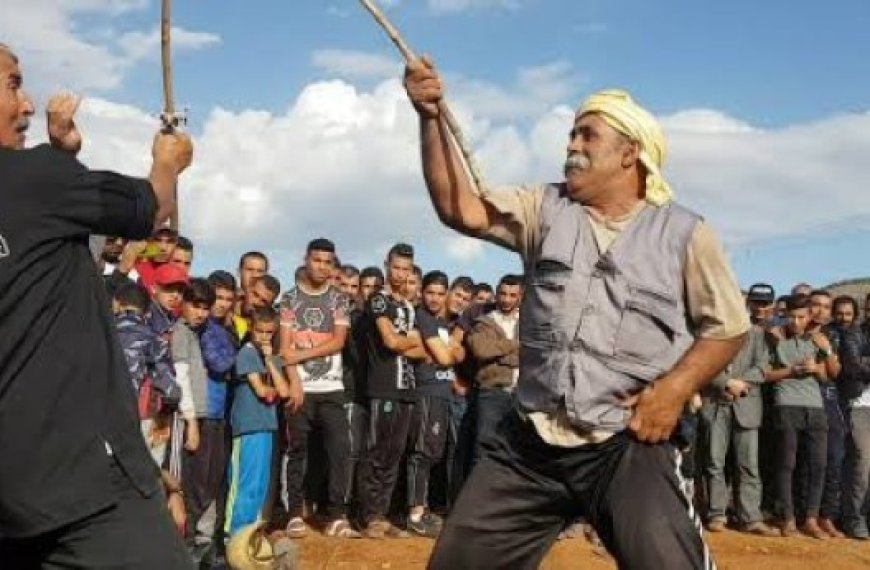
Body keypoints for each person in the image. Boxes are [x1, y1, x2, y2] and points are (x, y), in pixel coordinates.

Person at [405, 58, 749, 569]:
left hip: (627, 442)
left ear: (630, 153)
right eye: (572, 134)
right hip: (530, 444)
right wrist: (430, 118)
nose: (572, 145)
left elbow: (729, 327)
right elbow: (462, 210)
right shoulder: (544, 208)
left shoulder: (683, 233)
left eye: (587, 136)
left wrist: (673, 391)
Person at [0, 43, 193, 567]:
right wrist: (168, 162)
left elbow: (43, 245)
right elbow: (149, 210)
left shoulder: (39, 186)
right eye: (13, 84)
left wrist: (64, 158)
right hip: (85, 490)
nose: (27, 105)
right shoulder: (33, 178)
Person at [278, 238, 357, 538]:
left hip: (332, 388)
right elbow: (283, 348)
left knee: (341, 450)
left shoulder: (338, 299)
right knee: (297, 451)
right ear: (306, 259)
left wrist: (298, 354)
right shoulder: (289, 299)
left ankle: (337, 515)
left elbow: (338, 341)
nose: (321, 266)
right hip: (301, 390)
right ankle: (294, 514)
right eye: (316, 260)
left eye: (327, 261)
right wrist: (295, 381)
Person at [358, 243, 425, 539]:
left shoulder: (409, 306)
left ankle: (382, 515)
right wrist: (408, 341)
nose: (400, 274)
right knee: (375, 452)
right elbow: (391, 342)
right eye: (396, 267)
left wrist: (408, 342)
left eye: (406, 269)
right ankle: (369, 516)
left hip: (408, 389)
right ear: (387, 265)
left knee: (394, 455)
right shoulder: (378, 301)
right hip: (383, 387)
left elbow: (422, 352)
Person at [764, 295, 836, 538]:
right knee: (787, 464)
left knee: (818, 464)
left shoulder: (816, 340)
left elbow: (829, 376)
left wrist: (820, 361)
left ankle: (811, 520)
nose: (796, 321)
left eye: (801, 317)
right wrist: (792, 370)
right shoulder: (774, 338)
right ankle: (788, 519)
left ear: (809, 319)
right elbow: (764, 375)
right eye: (792, 316)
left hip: (815, 407)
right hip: (786, 404)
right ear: (785, 316)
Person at [699, 322, 779, 536]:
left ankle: (750, 518)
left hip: (746, 404)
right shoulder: (710, 331)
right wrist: (725, 383)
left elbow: (763, 366)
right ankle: (716, 515)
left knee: (749, 465)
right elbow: (701, 364)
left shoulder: (757, 334)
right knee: (713, 462)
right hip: (715, 403)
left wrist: (737, 384)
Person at [225, 307, 297, 537]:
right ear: (250, 328)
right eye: (260, 331)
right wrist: (271, 378)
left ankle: (250, 535)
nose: (264, 337)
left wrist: (269, 359)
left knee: (259, 486)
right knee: (244, 485)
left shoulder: (269, 356)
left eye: (269, 333)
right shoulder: (246, 353)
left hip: (266, 426)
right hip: (248, 427)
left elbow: (284, 392)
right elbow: (262, 391)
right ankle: (234, 536)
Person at [407, 270, 462, 537]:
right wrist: (445, 352)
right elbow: (445, 357)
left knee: (435, 453)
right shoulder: (422, 318)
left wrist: (448, 352)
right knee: (423, 452)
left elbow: (458, 354)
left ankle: (423, 507)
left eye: (441, 293)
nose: (435, 298)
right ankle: (415, 513)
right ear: (422, 292)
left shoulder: (443, 323)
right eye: (430, 292)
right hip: (427, 392)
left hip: (443, 393)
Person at [465, 274, 523, 464]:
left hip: (522, 395)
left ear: (520, 297)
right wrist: (516, 345)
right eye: (503, 294)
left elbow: (535, 353)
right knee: (484, 451)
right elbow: (482, 350)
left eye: (512, 295)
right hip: (492, 393)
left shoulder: (528, 322)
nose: (507, 299)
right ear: (496, 294)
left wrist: (500, 352)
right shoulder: (484, 322)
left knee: (516, 453)